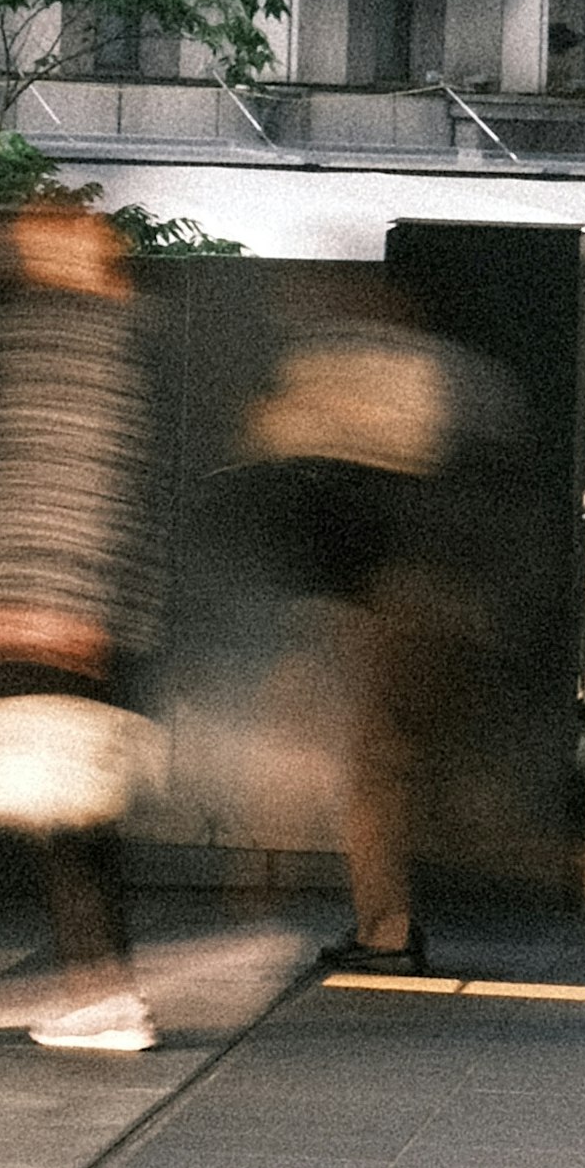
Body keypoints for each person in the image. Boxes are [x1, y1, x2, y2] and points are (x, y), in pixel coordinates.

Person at [0, 196, 165, 1056]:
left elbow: (57, 472)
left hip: (49, 600)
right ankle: (104, 987)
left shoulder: (58, 336)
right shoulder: (115, 333)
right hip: (72, 602)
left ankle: (106, 994)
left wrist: (30, 601)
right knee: (73, 804)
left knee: (69, 808)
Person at [240, 293, 504, 978]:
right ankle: (386, 920)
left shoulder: (362, 397)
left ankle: (385, 925)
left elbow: (301, 475)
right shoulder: (453, 392)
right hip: (429, 604)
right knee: (384, 766)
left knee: (369, 766)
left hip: (384, 606)